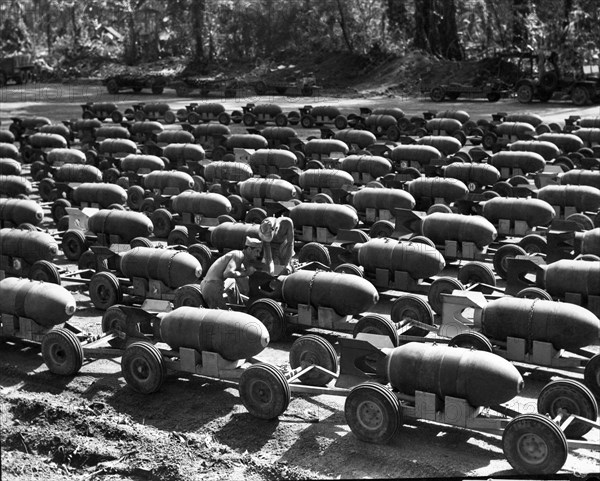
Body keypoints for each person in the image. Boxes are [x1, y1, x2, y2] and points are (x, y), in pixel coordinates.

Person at [199, 236, 264, 309]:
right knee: (222, 316)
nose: (258, 255)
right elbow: (227, 273)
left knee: (232, 282)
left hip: (211, 283)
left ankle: (238, 307)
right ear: (249, 249)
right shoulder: (238, 255)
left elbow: (242, 275)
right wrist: (246, 273)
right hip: (211, 287)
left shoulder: (240, 258)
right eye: (257, 251)